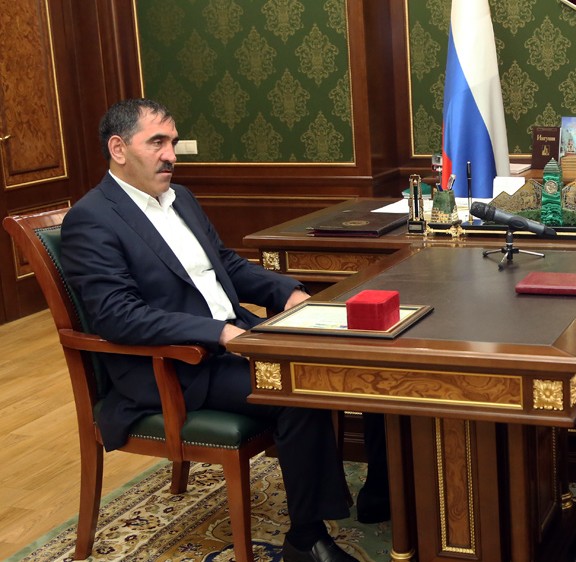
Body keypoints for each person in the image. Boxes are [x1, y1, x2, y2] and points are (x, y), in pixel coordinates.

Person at [60, 98, 388, 562]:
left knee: (357, 354)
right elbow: (118, 315)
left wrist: (288, 293)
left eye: (173, 142)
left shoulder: (180, 198)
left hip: (232, 340)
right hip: (176, 367)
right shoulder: (92, 219)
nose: (171, 155)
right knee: (298, 390)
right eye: (157, 143)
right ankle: (306, 540)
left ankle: (382, 492)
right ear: (118, 149)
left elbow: (226, 265)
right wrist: (217, 333)